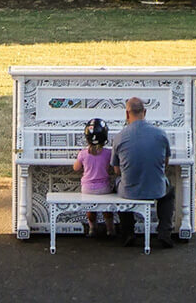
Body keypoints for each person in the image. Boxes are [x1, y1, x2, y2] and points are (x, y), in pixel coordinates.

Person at [110, 96, 175, 249]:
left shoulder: (119, 137)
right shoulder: (160, 134)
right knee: (169, 190)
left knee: (118, 184)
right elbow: (165, 164)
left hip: (129, 191)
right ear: (144, 112)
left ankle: (128, 232)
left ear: (127, 114)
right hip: (156, 189)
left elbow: (117, 170)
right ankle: (164, 232)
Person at [73, 117, 116, 237]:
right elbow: (114, 166)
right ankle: (110, 229)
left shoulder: (82, 153)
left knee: (90, 208)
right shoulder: (108, 153)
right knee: (107, 208)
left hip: (87, 189)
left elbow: (76, 168)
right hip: (104, 188)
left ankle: (92, 229)